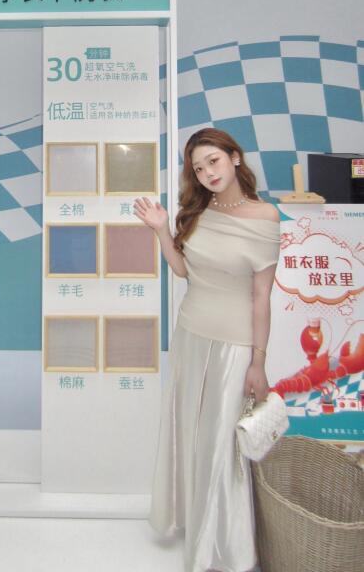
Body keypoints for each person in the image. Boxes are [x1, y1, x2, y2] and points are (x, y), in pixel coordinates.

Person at [134, 127, 281, 572]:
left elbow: (261, 296)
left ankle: (222, 547)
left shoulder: (264, 216)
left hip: (235, 345)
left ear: (234, 157)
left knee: (221, 446)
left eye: (213, 161)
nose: (207, 173)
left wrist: (258, 361)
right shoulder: (196, 211)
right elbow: (183, 271)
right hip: (190, 335)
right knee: (190, 433)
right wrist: (162, 231)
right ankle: (194, 521)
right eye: (198, 168)